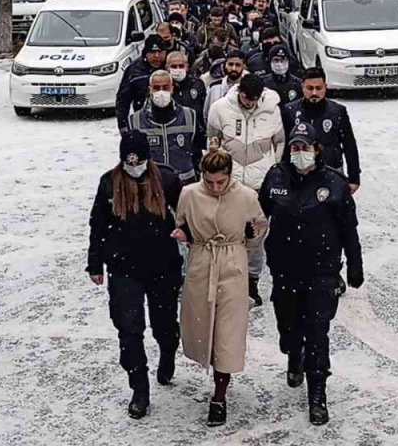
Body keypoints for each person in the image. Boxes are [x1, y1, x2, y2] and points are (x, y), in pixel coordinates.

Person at [259, 122, 363, 425]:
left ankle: (317, 395)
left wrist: (355, 267)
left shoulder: (334, 184)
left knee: (318, 332)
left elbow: (349, 230)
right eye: (295, 146)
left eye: (305, 147)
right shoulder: (276, 177)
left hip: (321, 271)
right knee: (288, 328)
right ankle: (293, 354)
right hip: (285, 270)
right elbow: (256, 213)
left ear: (317, 150)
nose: (299, 152)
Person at [87, 132, 184, 419]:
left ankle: (168, 352)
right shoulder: (109, 183)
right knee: (129, 329)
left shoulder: (167, 180)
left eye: (138, 160)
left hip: (161, 266)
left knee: (163, 323)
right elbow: (98, 226)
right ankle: (139, 388)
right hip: (124, 267)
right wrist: (95, 264)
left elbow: (187, 214)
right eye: (128, 161)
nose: (134, 166)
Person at [172, 149, 267, 427]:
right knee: (201, 326)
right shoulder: (189, 194)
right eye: (209, 182)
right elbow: (182, 223)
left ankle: (219, 395)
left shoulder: (247, 196)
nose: (214, 188)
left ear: (229, 176)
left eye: (220, 182)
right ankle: (205, 367)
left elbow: (259, 229)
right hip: (202, 263)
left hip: (232, 265)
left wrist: (252, 235)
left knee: (227, 335)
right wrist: (184, 234)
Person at [208, 75, 285, 307]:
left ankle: (251, 281)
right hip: (229, 184)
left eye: (254, 99)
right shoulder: (220, 108)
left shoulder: (272, 110)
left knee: (256, 236)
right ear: (239, 91)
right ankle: (227, 280)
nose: (249, 102)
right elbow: (212, 138)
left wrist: (274, 170)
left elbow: (279, 142)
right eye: (245, 97)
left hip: (259, 183)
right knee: (227, 232)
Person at [282, 68, 361, 193]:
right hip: (299, 172)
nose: (314, 92)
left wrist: (354, 177)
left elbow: (349, 145)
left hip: (332, 171)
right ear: (302, 87)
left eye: (318, 88)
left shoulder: (337, 112)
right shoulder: (290, 111)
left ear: (325, 87)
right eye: (310, 88)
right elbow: (284, 146)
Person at [133, 71, 205, 184]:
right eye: (156, 88)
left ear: (172, 89)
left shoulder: (189, 115)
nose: (161, 92)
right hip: (151, 185)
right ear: (150, 90)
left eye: (165, 87)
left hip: (185, 183)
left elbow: (198, 151)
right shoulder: (136, 120)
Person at [116, 35, 169, 134]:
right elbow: (123, 99)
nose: (157, 55)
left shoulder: (171, 67)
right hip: (143, 122)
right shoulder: (134, 70)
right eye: (153, 52)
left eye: (160, 52)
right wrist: (123, 124)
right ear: (146, 53)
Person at [203, 50, 248, 122]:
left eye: (238, 65)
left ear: (244, 66)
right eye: (230, 64)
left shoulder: (249, 87)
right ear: (225, 65)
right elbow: (206, 114)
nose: (234, 68)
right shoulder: (214, 87)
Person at [168, 51, 207, 119]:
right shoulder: (163, 86)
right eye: (174, 66)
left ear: (187, 67)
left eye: (181, 66)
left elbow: (204, 108)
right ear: (167, 68)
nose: (178, 69)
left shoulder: (197, 84)